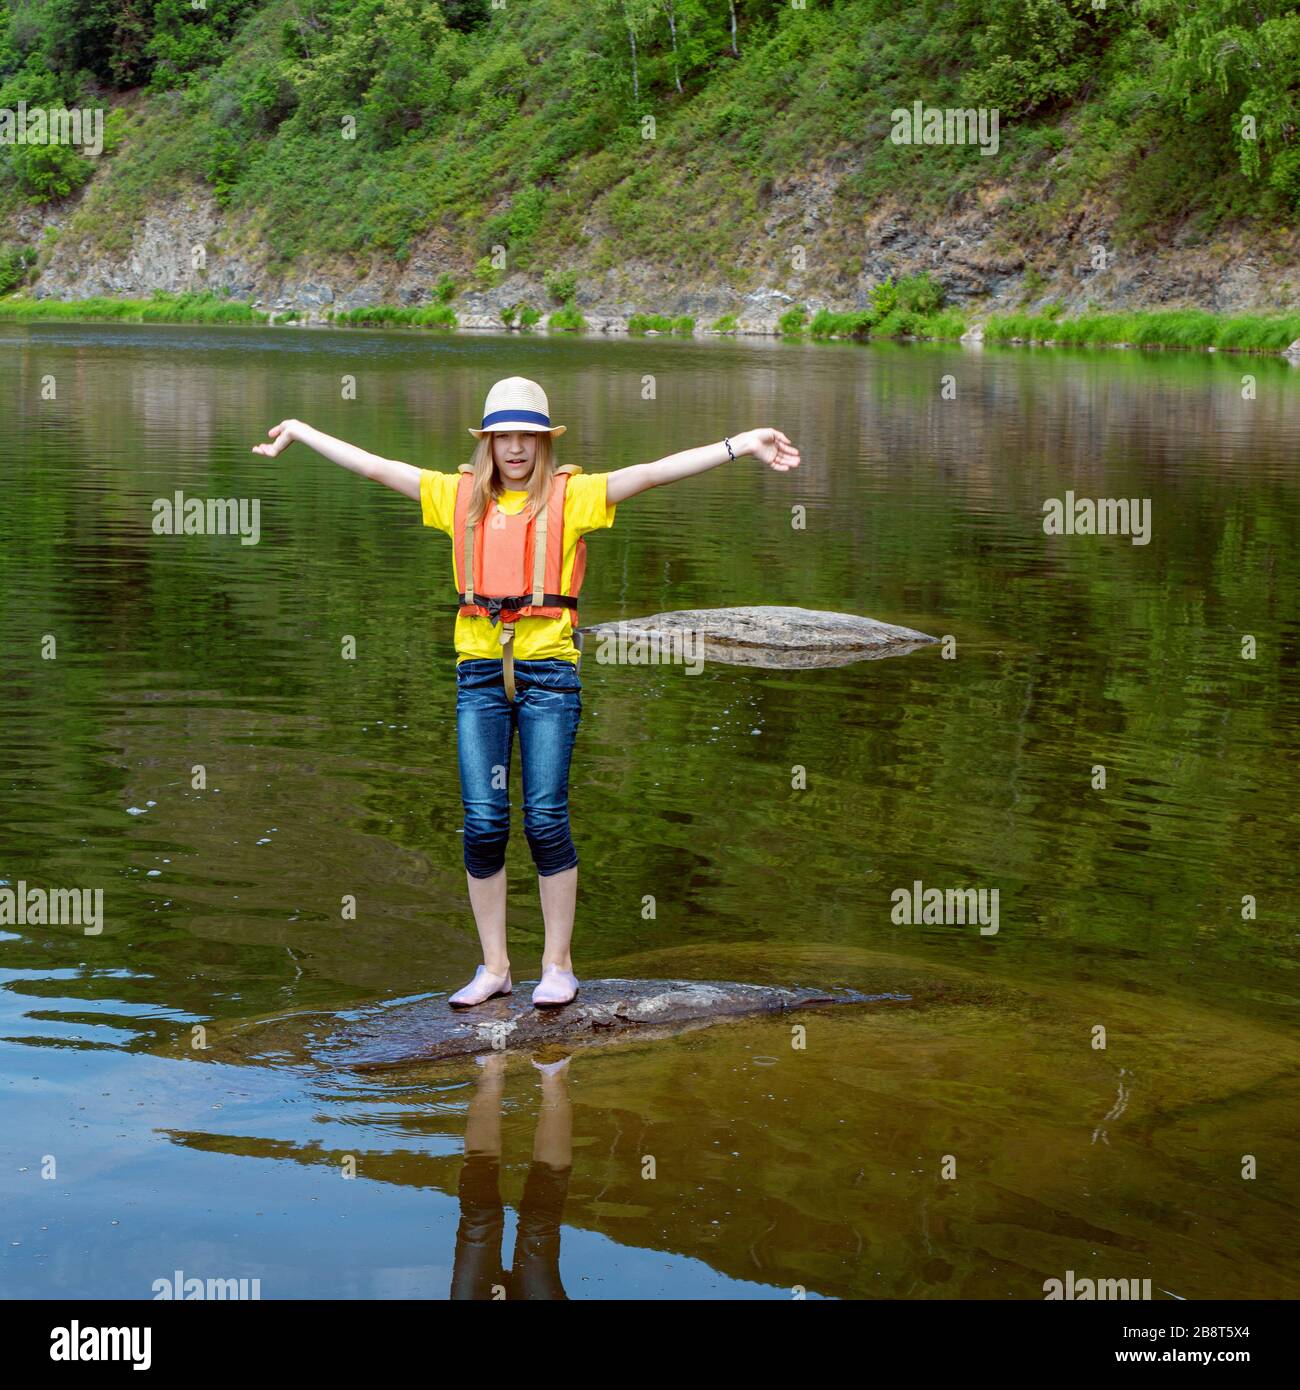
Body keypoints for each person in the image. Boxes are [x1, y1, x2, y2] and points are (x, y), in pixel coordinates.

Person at [253, 375, 800, 1008]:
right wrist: (301, 430)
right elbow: (378, 468)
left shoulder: (577, 497)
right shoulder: (453, 496)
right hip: (479, 678)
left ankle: (557, 966)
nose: (515, 448)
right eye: (503, 436)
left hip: (549, 677)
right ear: (487, 444)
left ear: (544, 443)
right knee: (483, 823)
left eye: (527, 437)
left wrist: (742, 443)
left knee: (544, 819)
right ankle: (494, 968)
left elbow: (653, 471)